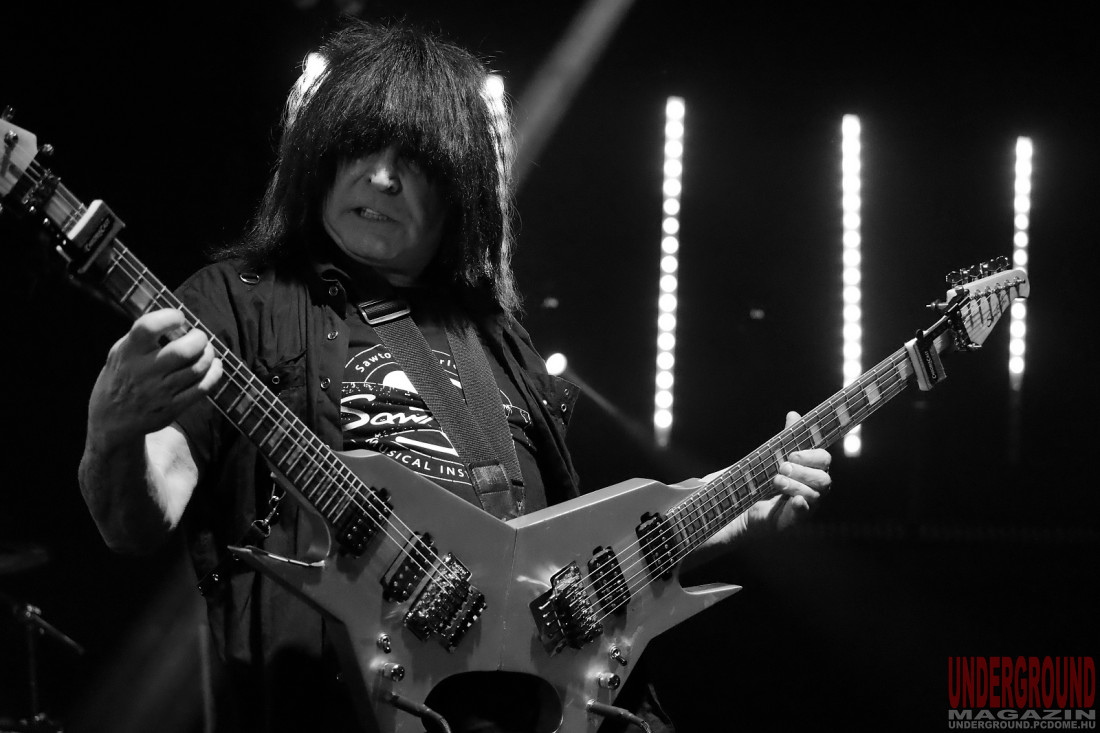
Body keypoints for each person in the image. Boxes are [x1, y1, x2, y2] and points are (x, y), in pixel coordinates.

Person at [77, 19, 831, 733]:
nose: (380, 178)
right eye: (359, 148)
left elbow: (568, 584)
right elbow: (138, 517)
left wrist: (725, 520)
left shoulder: (500, 343)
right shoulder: (236, 303)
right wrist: (112, 432)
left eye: (414, 162)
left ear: (458, 188)